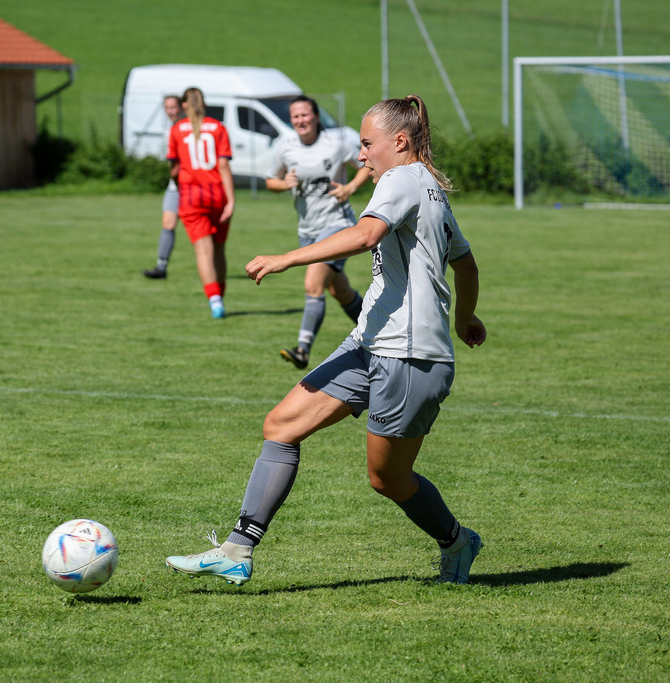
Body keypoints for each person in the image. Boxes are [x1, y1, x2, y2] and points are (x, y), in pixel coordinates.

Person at [166, 95, 487, 585]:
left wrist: (285, 258)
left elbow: (364, 237)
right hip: (369, 343)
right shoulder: (428, 187)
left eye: (367, 144)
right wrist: (466, 317)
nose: (361, 155)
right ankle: (237, 550)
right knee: (281, 425)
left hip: (409, 356)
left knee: (387, 479)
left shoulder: (402, 179)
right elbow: (464, 263)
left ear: (398, 142)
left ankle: (458, 541)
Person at [266, 95, 371, 369]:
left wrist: (349, 188)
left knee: (314, 283)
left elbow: (366, 165)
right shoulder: (286, 147)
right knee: (340, 291)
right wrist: (283, 183)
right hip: (307, 229)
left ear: (315, 117)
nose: (300, 120)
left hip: (338, 224)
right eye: (296, 116)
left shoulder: (335, 144)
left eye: (305, 115)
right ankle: (379, 333)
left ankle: (302, 349)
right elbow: (270, 180)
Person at [166, 87, 235, 318]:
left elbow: (174, 167)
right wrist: (231, 199)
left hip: (191, 195)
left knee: (203, 251)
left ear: (184, 105)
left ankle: (215, 302)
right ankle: (221, 295)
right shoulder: (218, 127)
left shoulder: (176, 129)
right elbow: (224, 166)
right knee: (218, 250)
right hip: (217, 193)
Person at [142, 95, 186, 280]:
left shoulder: (187, 127)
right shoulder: (170, 129)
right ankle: (161, 267)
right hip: (174, 186)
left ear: (182, 107)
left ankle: (211, 263)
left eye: (173, 107)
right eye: (167, 108)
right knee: (167, 223)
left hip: (192, 186)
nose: (171, 111)